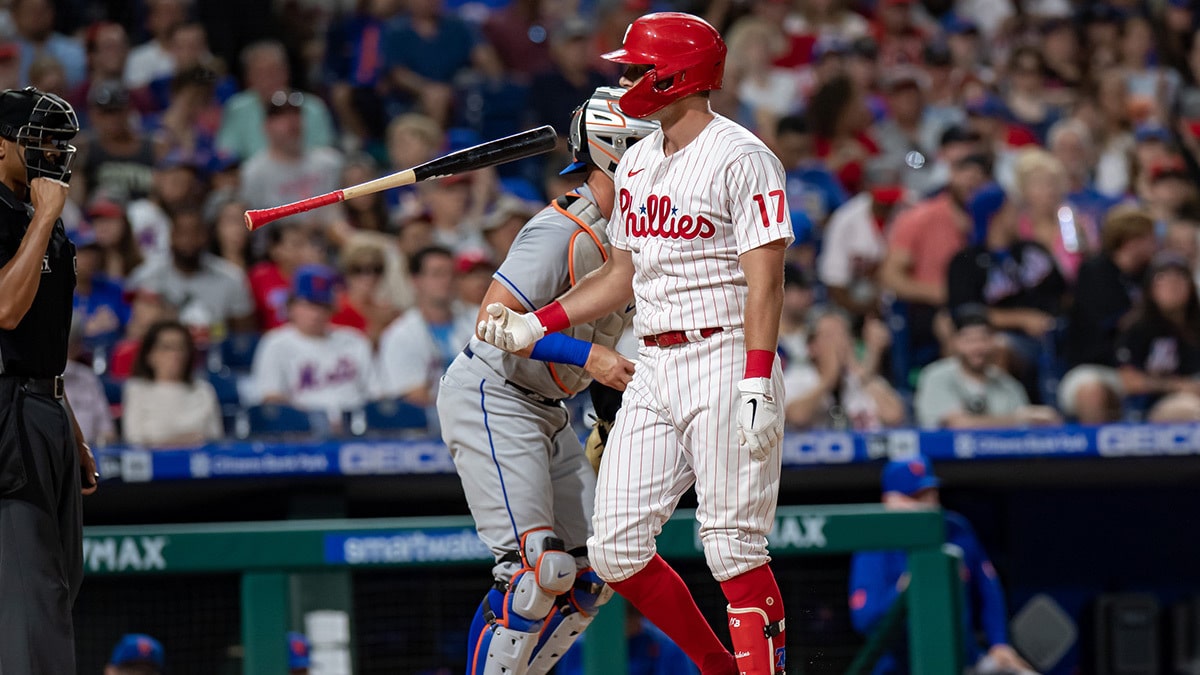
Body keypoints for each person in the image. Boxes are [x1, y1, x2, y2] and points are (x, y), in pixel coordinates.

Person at [479, 15, 792, 674]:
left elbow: (767, 283)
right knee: (617, 550)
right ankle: (718, 665)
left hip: (725, 354)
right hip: (655, 359)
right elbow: (620, 275)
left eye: (634, 69)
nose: (622, 81)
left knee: (733, 546)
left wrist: (758, 379)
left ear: (675, 75)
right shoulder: (642, 159)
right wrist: (542, 323)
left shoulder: (744, 157)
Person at [436, 86, 650, 675]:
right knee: (537, 574)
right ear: (617, 152)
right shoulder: (560, 232)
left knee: (592, 576)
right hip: (495, 394)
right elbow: (491, 322)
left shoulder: (637, 235)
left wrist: (607, 408)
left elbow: (611, 338)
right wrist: (592, 361)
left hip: (552, 408)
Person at [0, 86, 97, 674]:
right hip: (7, 415)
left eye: (62, 140)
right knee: (29, 594)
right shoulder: (35, 214)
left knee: (58, 585)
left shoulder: (42, 215)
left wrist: (70, 425)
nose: (56, 151)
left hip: (44, 406)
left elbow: (39, 344)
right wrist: (43, 218)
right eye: (39, 139)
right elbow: (6, 312)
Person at [849, 457, 1037, 675]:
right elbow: (864, 621)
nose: (926, 504)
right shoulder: (875, 544)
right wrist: (901, 592)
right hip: (901, 668)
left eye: (930, 493)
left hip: (966, 662)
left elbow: (988, 590)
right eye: (914, 497)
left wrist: (999, 643)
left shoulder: (955, 529)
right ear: (889, 501)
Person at [1058, 207, 1157, 423]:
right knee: (1092, 391)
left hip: (1145, 369)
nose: (1155, 245)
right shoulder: (1095, 271)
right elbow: (1106, 326)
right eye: (1149, 238)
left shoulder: (1148, 275)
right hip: (1095, 367)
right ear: (1131, 241)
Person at [250, 264, 374, 425]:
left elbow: (376, 394)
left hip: (357, 427)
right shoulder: (275, 343)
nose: (315, 314)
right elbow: (271, 398)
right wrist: (317, 421)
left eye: (322, 306)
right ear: (291, 306)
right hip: (300, 431)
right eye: (308, 304)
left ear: (332, 309)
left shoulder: (354, 340)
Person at [914, 304, 1061, 430]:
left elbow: (1024, 430)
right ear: (955, 342)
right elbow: (958, 424)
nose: (977, 348)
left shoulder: (1006, 383)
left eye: (983, 339)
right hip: (943, 462)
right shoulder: (936, 376)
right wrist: (1018, 420)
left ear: (993, 341)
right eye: (969, 340)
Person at [375, 245, 474, 406]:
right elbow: (413, 396)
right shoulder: (399, 335)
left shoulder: (477, 320)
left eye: (452, 274)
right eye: (437, 274)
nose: (447, 280)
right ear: (416, 280)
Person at [785, 307, 904, 430]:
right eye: (829, 336)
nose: (838, 342)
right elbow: (796, 417)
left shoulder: (860, 380)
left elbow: (894, 416)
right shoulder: (797, 378)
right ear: (812, 346)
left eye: (843, 335)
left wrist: (860, 373)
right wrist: (829, 379)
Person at [1115, 252, 1200, 422]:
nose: (1172, 284)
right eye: (1163, 278)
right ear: (1149, 288)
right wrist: (1179, 386)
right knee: (1191, 409)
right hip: (1151, 406)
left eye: (1180, 277)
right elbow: (1129, 381)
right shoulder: (1136, 327)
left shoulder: (1195, 326)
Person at [122, 319, 222, 448]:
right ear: (149, 355)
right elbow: (133, 440)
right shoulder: (136, 389)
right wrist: (181, 441)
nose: (175, 354)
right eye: (167, 347)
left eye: (181, 347)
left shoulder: (203, 390)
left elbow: (215, 440)